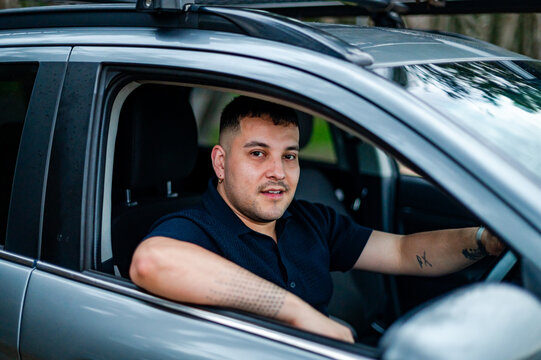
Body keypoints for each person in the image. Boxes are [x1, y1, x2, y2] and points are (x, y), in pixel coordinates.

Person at [130, 96, 505, 343]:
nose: (278, 171)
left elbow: (405, 252)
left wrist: (483, 239)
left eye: (289, 156)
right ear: (221, 163)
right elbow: (152, 262)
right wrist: (299, 315)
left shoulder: (311, 220)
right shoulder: (196, 228)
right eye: (258, 154)